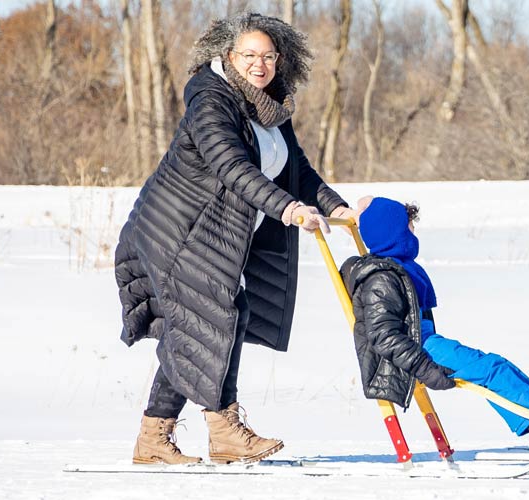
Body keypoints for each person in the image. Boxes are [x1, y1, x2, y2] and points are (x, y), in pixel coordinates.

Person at [115, 13, 358, 465]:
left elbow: (297, 171)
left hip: (214, 233)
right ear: (228, 56)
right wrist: (285, 208)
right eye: (248, 56)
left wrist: (335, 206)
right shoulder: (211, 101)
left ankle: (154, 439)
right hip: (174, 230)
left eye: (267, 56)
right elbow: (231, 165)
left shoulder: (269, 106)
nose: (259, 65)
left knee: (204, 322)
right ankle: (223, 430)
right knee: (215, 316)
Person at [341, 197, 529, 459]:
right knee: (490, 370)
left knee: (495, 366)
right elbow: (383, 336)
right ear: (392, 232)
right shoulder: (381, 278)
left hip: (424, 342)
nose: (413, 233)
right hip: (415, 352)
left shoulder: (396, 268)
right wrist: (424, 367)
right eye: (408, 227)